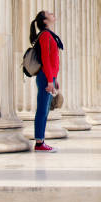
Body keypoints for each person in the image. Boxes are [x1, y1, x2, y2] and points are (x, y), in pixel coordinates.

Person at [29, 10, 64, 152]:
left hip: (49, 77)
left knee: (45, 110)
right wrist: (50, 80)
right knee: (42, 110)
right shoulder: (45, 36)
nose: (53, 13)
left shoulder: (48, 35)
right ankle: (39, 142)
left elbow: (52, 59)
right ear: (45, 20)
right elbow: (45, 59)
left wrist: (54, 79)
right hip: (45, 77)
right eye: (49, 13)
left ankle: (40, 141)